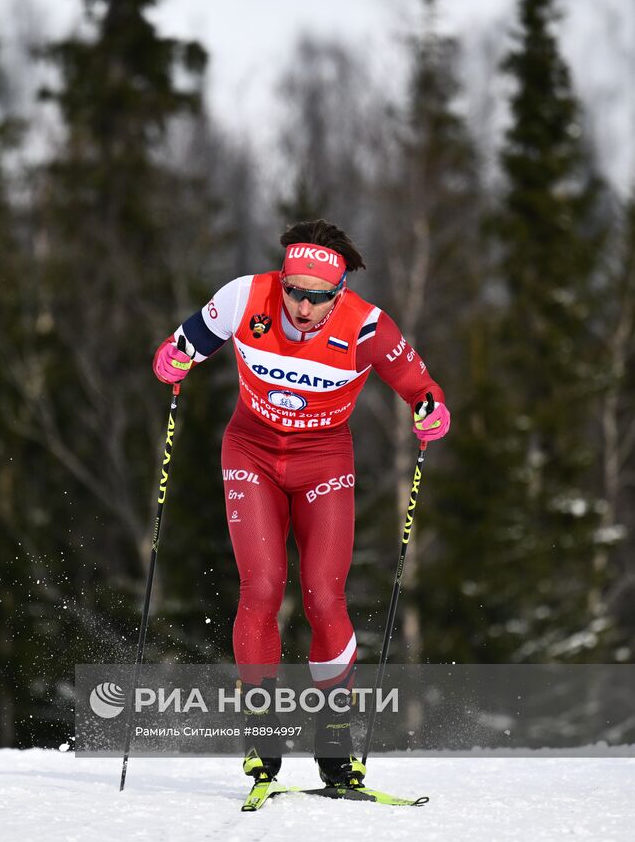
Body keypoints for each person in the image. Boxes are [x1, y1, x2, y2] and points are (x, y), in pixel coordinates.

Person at [153, 219, 450, 788]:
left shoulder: (366, 326)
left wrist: (430, 412)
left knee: (322, 595)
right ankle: (262, 741)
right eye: (295, 292)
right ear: (282, 280)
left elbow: (422, 388)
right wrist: (173, 360)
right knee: (262, 587)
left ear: (338, 294)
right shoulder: (245, 296)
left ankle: (335, 746)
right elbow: (184, 343)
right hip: (251, 452)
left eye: (320, 298)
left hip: (323, 459)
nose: (305, 307)